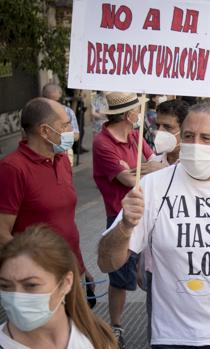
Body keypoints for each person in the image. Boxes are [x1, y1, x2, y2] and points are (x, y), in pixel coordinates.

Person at [98, 102, 210, 349]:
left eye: (206, 138)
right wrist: (125, 227)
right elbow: (106, 262)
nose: (195, 145)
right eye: (188, 136)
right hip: (173, 337)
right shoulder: (152, 187)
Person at [92, 91, 164, 348]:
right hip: (120, 216)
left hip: (147, 211)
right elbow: (129, 179)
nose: (139, 115)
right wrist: (144, 169)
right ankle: (117, 325)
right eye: (136, 111)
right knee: (119, 275)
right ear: (127, 114)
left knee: (150, 270)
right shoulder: (102, 142)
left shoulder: (135, 136)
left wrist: (138, 167)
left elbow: (157, 163)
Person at [0, 97, 85, 273]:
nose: (72, 130)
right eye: (65, 125)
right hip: (39, 278)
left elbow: (66, 223)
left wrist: (81, 267)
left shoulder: (62, 160)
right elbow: (2, 234)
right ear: (45, 131)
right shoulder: (12, 168)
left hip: (73, 271)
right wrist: (36, 269)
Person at [0, 225, 117, 349]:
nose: (16, 297)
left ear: (66, 283)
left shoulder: (97, 340)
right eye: (5, 286)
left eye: (31, 285)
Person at [41, 83, 80, 165]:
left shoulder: (68, 111)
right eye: (51, 101)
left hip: (64, 156)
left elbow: (76, 135)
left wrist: (62, 139)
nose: (55, 104)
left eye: (57, 100)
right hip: (42, 156)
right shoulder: (37, 113)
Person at [152, 99, 188, 166]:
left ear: (185, 131)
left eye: (167, 127)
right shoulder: (152, 163)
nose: (159, 131)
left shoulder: (194, 166)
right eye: (157, 126)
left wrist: (163, 171)